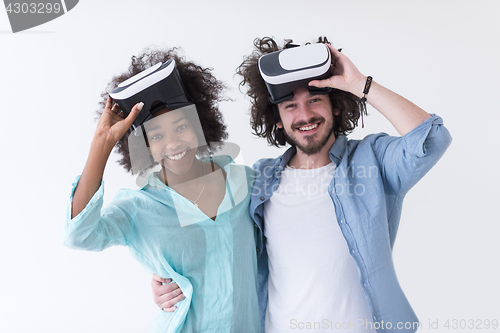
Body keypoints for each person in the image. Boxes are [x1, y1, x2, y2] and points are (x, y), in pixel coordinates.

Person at [152, 36, 452, 333]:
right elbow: (214, 238)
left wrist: (359, 83)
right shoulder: (258, 180)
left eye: (315, 100)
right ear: (278, 120)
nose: (305, 114)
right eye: (290, 105)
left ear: (335, 105)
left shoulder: (373, 162)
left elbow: (431, 139)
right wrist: (168, 281)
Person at [64, 48, 261, 333]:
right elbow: (78, 236)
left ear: (199, 124)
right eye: (156, 136)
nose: (172, 143)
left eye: (181, 127)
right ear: (145, 145)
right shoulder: (136, 207)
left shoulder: (246, 182)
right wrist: (101, 145)